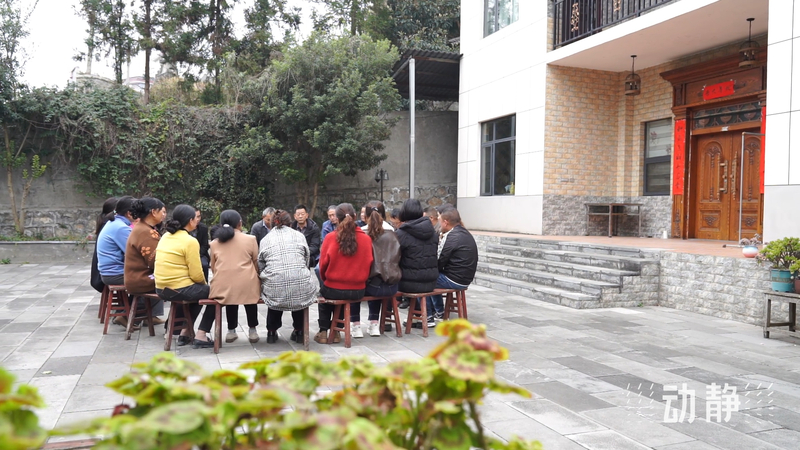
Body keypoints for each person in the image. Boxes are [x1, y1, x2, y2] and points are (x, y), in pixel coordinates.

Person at [154, 204, 216, 349]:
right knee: (218, 293)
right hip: (179, 288)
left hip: (161, 288)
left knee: (198, 292)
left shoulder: (165, 236)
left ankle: (185, 332)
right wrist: (204, 285)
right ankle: (201, 334)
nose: (198, 221)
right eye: (196, 218)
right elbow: (197, 275)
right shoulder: (190, 241)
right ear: (190, 220)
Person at [258, 210, 319, 344]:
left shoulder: (265, 239)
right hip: (300, 282)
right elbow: (306, 259)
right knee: (298, 292)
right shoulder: (299, 236)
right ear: (291, 223)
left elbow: (261, 264)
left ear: (272, 223)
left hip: (275, 284)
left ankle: (271, 331)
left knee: (275, 291)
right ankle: (299, 330)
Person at [315, 203, 373, 344]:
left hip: (333, 287)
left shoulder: (330, 238)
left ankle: (323, 331)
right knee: (342, 294)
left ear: (337, 218)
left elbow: (322, 266)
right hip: (358, 290)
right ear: (355, 216)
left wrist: (327, 280)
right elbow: (370, 263)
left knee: (324, 295)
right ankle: (336, 331)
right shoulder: (366, 239)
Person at [209, 210, 261, 344]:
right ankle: (252, 330)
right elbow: (256, 262)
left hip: (223, 285)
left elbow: (213, 266)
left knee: (230, 297)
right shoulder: (250, 239)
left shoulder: (214, 243)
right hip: (247, 283)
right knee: (250, 296)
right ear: (240, 223)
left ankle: (231, 331)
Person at [356, 200, 401, 337]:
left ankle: (356, 326)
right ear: (384, 215)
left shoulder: (361, 233)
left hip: (369, 286)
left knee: (355, 284)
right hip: (391, 285)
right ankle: (374, 323)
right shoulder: (393, 233)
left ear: (365, 216)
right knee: (377, 279)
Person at [426, 206, 478, 323]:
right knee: (432, 276)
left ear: (445, 222)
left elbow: (439, 262)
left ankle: (429, 316)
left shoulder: (452, 237)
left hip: (455, 279)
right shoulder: (464, 232)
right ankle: (439, 311)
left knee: (423, 279)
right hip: (465, 278)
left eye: (439, 221)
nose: (439, 224)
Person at [394, 198, 438, 324]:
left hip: (409, 283)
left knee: (387, 283)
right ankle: (419, 316)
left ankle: (380, 321)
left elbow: (394, 257)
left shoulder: (401, 233)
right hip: (431, 281)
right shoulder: (432, 232)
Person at [123, 197, 167, 323]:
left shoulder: (141, 227)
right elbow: (155, 261)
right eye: (162, 211)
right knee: (179, 284)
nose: (164, 215)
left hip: (135, 277)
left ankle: (132, 315)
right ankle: (179, 324)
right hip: (141, 279)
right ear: (153, 212)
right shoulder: (146, 232)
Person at [96, 196, 137, 328]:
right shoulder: (121, 228)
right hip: (115, 274)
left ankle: (133, 314)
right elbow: (135, 253)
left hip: (108, 272)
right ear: (129, 213)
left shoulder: (114, 222)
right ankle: (127, 315)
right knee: (152, 281)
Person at [91, 197, 118, 293]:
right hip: (104, 276)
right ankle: (138, 301)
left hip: (99, 275)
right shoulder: (112, 226)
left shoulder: (105, 224)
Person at [191, 209, 211, 281]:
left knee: (204, 265)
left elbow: (205, 245)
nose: (197, 219)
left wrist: (197, 255)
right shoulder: (183, 228)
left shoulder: (203, 228)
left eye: (199, 216)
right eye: (195, 217)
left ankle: (205, 283)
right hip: (187, 253)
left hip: (200, 254)